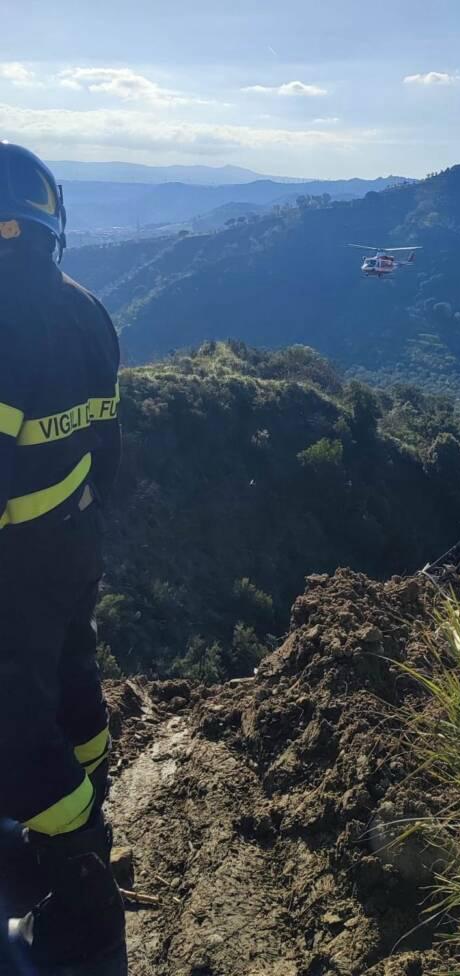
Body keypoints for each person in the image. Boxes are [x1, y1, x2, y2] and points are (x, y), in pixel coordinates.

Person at [0, 143, 126, 973]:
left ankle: (77, 863)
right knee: (71, 676)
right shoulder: (86, 309)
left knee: (11, 724)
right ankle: (89, 798)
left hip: (12, 560)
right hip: (73, 542)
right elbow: (108, 444)